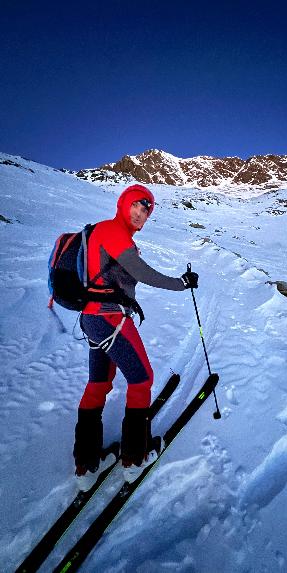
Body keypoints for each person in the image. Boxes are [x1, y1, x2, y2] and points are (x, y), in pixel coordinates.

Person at [73, 184, 198, 489]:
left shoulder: (105, 232)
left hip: (91, 319)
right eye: (137, 206)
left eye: (147, 210)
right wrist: (181, 283)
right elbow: (143, 273)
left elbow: (116, 276)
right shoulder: (114, 231)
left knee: (98, 384)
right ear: (124, 204)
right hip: (109, 319)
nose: (142, 213)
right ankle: (134, 459)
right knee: (142, 380)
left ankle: (86, 467)